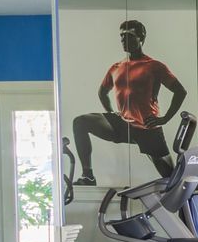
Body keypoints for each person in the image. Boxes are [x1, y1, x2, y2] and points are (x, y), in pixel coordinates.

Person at [73, 20, 186, 184]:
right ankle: (88, 176)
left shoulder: (154, 66)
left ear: (141, 38)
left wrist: (165, 118)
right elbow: (102, 92)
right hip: (122, 124)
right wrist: (111, 112)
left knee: (173, 180)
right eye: (121, 36)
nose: (123, 40)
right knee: (80, 122)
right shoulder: (116, 67)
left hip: (147, 127)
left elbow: (180, 91)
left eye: (129, 36)